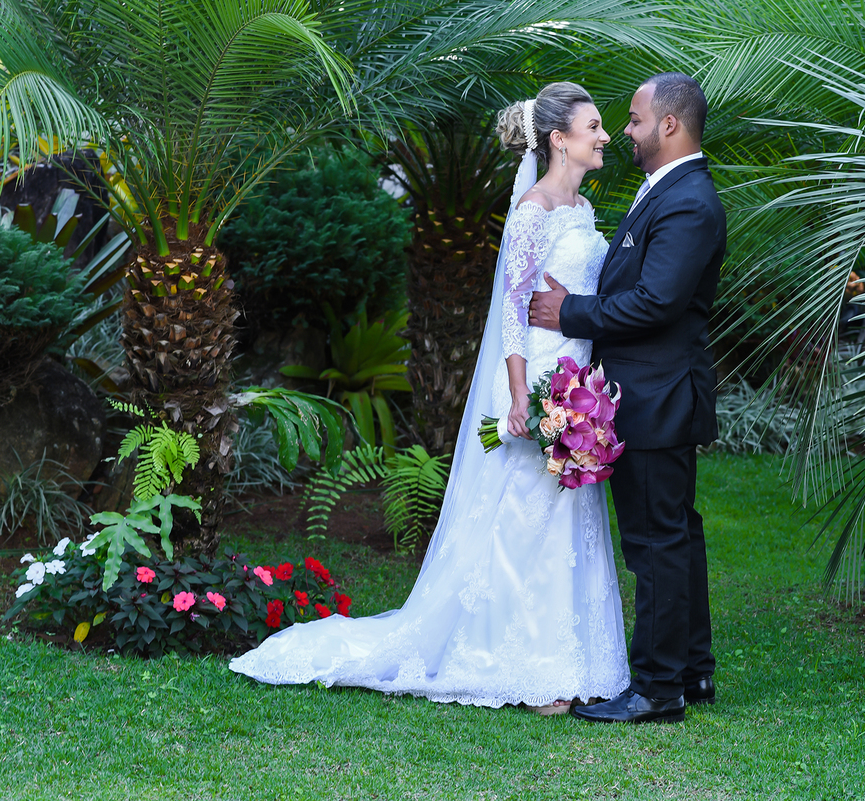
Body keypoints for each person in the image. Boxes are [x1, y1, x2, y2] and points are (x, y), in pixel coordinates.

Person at [229, 82, 630, 714]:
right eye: (593, 127)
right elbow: (512, 312)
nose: (605, 136)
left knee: (565, 518)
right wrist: (523, 394)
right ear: (559, 140)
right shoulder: (531, 211)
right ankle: (516, 662)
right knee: (522, 519)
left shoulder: (579, 212)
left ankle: (570, 660)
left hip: (579, 378)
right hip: (539, 379)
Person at [529, 72, 725, 724]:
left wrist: (570, 312)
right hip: (652, 392)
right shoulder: (668, 192)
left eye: (636, 120)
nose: (627, 132)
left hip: (659, 395)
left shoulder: (689, 200)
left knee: (655, 542)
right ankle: (692, 672)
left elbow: (658, 301)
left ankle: (659, 688)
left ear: (669, 125)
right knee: (676, 536)